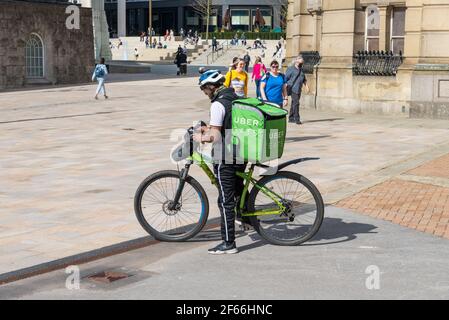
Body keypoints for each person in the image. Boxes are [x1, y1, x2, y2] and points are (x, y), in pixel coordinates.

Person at [193, 69, 245, 254]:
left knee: (225, 200)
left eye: (203, 89)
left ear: (210, 86)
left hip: (226, 156)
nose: (204, 93)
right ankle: (245, 219)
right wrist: (209, 128)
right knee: (237, 191)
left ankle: (229, 243)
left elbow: (215, 136)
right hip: (240, 151)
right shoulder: (234, 96)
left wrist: (200, 138)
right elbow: (227, 124)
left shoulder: (217, 104)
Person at [285, 55, 309, 124]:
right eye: (300, 59)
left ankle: (291, 118)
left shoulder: (301, 69)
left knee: (294, 103)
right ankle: (297, 119)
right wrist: (285, 85)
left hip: (299, 88)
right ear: (296, 61)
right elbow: (286, 78)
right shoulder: (291, 69)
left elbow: (304, 79)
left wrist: (307, 86)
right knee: (296, 103)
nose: (301, 61)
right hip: (292, 88)